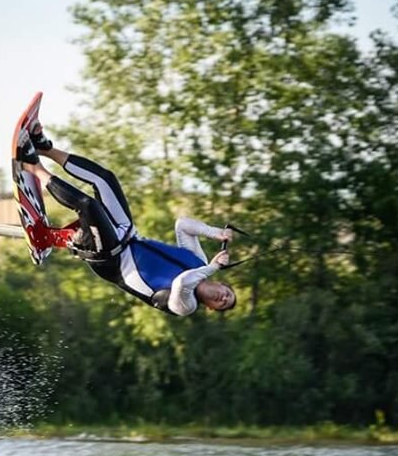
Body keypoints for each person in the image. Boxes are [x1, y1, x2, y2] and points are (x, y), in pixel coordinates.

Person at [16, 124, 237, 316]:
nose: (223, 298)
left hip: (112, 260)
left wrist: (212, 267)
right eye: (228, 294)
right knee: (105, 179)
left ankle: (32, 165)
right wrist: (215, 232)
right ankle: (44, 148)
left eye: (223, 304)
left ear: (210, 307)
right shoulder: (199, 261)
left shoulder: (185, 306)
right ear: (222, 285)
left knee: (88, 206)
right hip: (127, 235)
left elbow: (181, 283)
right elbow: (183, 226)